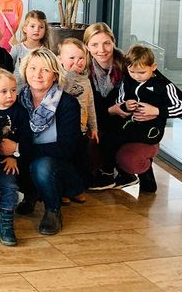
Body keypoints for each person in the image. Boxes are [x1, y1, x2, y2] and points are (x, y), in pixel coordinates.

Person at [12, 48, 83, 235]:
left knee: (41, 165)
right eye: (32, 68)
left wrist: (20, 148)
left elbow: (65, 149)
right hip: (28, 160)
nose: (37, 75)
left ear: (55, 74)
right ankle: (30, 195)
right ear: (25, 71)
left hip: (60, 167)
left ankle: (53, 210)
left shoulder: (67, 103)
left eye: (45, 70)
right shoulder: (18, 101)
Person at [113, 45, 182, 193]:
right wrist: (125, 106)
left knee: (130, 151)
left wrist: (157, 110)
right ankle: (125, 174)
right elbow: (119, 101)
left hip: (151, 130)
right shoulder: (127, 81)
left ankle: (145, 171)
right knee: (111, 142)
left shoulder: (164, 86)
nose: (136, 76)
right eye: (132, 72)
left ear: (153, 67)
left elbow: (180, 106)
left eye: (142, 72)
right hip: (129, 126)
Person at [84, 23, 141, 190]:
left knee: (115, 129)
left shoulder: (126, 63)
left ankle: (113, 172)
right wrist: (110, 109)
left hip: (126, 116)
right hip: (97, 117)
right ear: (87, 46)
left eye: (106, 43)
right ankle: (111, 172)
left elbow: (156, 83)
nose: (101, 49)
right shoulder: (84, 66)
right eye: (94, 44)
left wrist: (157, 110)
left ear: (113, 42)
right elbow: (89, 104)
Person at [0, 68, 32, 246]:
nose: (10, 95)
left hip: (8, 161)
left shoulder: (20, 112)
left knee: (10, 186)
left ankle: (6, 223)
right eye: (4, 91)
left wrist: (14, 155)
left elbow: (25, 139)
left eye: (13, 90)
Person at [57, 37, 98, 195]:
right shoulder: (60, 78)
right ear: (60, 59)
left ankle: (77, 189)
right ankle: (64, 191)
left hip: (81, 130)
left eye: (81, 57)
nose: (77, 61)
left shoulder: (86, 80)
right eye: (72, 58)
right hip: (64, 130)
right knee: (65, 161)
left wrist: (93, 127)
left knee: (80, 161)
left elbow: (90, 104)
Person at [11, 10, 49, 89]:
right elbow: (8, 70)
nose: (36, 30)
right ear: (25, 28)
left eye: (41, 27)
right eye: (32, 26)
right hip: (17, 92)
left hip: (37, 92)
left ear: (45, 30)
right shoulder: (17, 49)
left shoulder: (46, 52)